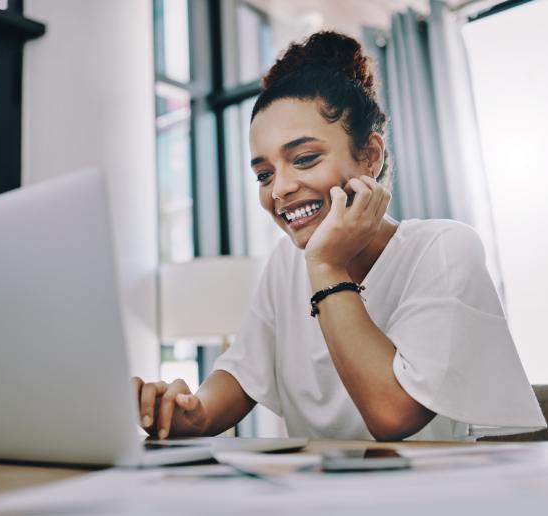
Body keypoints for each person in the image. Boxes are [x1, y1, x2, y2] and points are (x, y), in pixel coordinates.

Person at [132, 31, 546, 441]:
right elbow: (239, 374)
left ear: (369, 157)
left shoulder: (443, 249)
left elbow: (392, 414)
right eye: (264, 174)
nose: (279, 190)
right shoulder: (285, 264)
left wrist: (327, 265)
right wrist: (186, 412)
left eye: (305, 159)